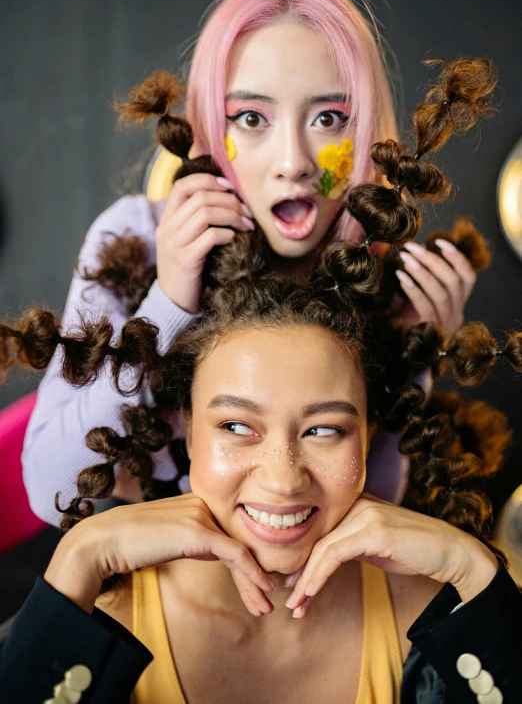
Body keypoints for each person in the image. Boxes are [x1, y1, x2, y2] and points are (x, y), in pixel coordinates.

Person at [10, 0, 493, 526]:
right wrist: (165, 304)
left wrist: (417, 356)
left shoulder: (379, 274)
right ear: (212, 127)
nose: (293, 162)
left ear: (367, 134)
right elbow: (51, 491)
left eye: (330, 117)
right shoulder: (138, 240)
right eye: (251, 118)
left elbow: (365, 519)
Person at [1, 228, 521, 703]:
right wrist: (80, 554)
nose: (282, 478)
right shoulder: (98, 619)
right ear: (186, 427)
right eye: (235, 427)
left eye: (324, 430)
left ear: (367, 436)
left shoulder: (432, 623)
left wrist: (472, 567)